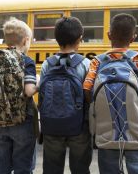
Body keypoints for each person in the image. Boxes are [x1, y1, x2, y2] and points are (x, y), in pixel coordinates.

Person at [83, 13, 138, 174]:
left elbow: (87, 90)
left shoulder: (97, 62)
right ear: (133, 38)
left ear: (109, 35)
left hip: (106, 132)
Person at [39, 17, 92, 174]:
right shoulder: (85, 64)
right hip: (79, 126)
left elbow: (42, 94)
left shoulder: (47, 64)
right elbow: (89, 96)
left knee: (51, 168)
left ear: (56, 39)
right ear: (79, 39)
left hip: (51, 125)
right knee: (80, 167)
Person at [0, 17, 39, 174]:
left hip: (1, 120)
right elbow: (28, 91)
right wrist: (38, 82)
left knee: (2, 164)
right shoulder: (26, 61)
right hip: (22, 120)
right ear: (26, 40)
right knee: (23, 165)